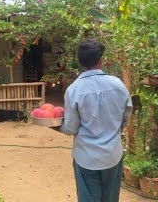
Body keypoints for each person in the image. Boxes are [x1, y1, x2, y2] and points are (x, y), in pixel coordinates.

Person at [54, 39, 132, 202]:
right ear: (101, 60)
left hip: (86, 157)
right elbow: (126, 115)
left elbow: (71, 128)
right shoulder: (117, 84)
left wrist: (55, 126)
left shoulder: (74, 90)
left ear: (79, 62)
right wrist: (116, 129)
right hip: (112, 155)